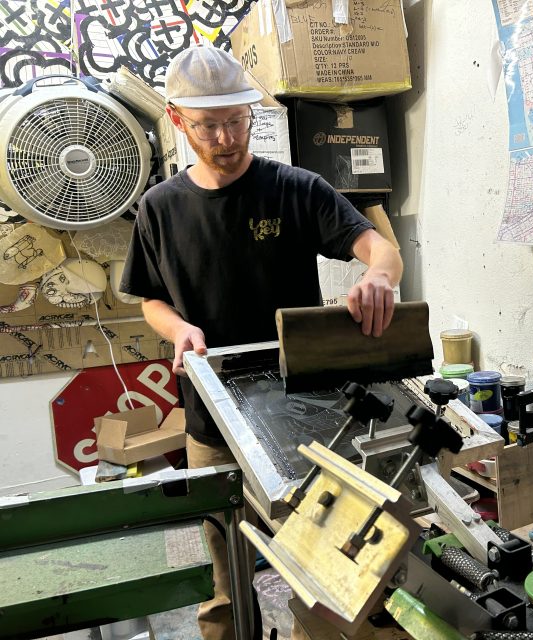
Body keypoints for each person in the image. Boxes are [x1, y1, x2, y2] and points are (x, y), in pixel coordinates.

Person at [120, 46, 402, 640]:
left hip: (306, 417)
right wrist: (179, 329)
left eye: (237, 120)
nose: (226, 138)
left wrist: (380, 276)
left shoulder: (296, 189)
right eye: (208, 125)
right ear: (176, 119)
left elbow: (380, 248)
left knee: (323, 574)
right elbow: (150, 300)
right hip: (212, 422)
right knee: (225, 585)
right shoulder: (159, 208)